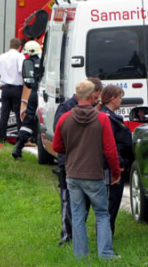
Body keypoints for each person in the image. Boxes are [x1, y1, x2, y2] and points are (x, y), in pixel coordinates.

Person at [52, 80, 121, 260]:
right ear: (92, 97)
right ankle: (106, 254)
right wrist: (116, 172)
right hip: (94, 174)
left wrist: (72, 149)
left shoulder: (64, 118)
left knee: (77, 215)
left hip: (73, 174)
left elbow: (57, 146)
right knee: (102, 214)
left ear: (77, 96)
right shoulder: (102, 119)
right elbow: (110, 150)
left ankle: (81, 256)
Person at [53, 77, 102, 247]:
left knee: (83, 204)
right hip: (69, 163)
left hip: (84, 163)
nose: (96, 100)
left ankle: (78, 239)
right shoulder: (66, 108)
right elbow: (58, 137)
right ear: (89, 94)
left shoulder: (95, 111)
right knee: (69, 203)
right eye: (95, 97)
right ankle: (68, 237)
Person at [97, 85, 133, 235]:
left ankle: (107, 234)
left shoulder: (110, 116)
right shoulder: (107, 118)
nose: (121, 101)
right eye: (119, 97)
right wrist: (119, 164)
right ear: (112, 98)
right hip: (112, 167)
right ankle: (105, 235)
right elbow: (109, 144)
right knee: (110, 203)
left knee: (113, 203)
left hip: (115, 164)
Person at [0, 38, 25, 143]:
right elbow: (21, 70)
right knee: (18, 115)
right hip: (17, 89)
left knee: (4, 114)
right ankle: (20, 139)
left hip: (5, 89)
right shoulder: (20, 56)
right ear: (20, 47)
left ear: (9, 46)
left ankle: (2, 138)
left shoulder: (1, 57)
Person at [12, 40, 41, 159]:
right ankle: (38, 140)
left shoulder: (28, 63)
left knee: (28, 119)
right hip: (43, 93)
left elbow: (27, 82)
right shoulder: (43, 62)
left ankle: (18, 146)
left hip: (33, 93)